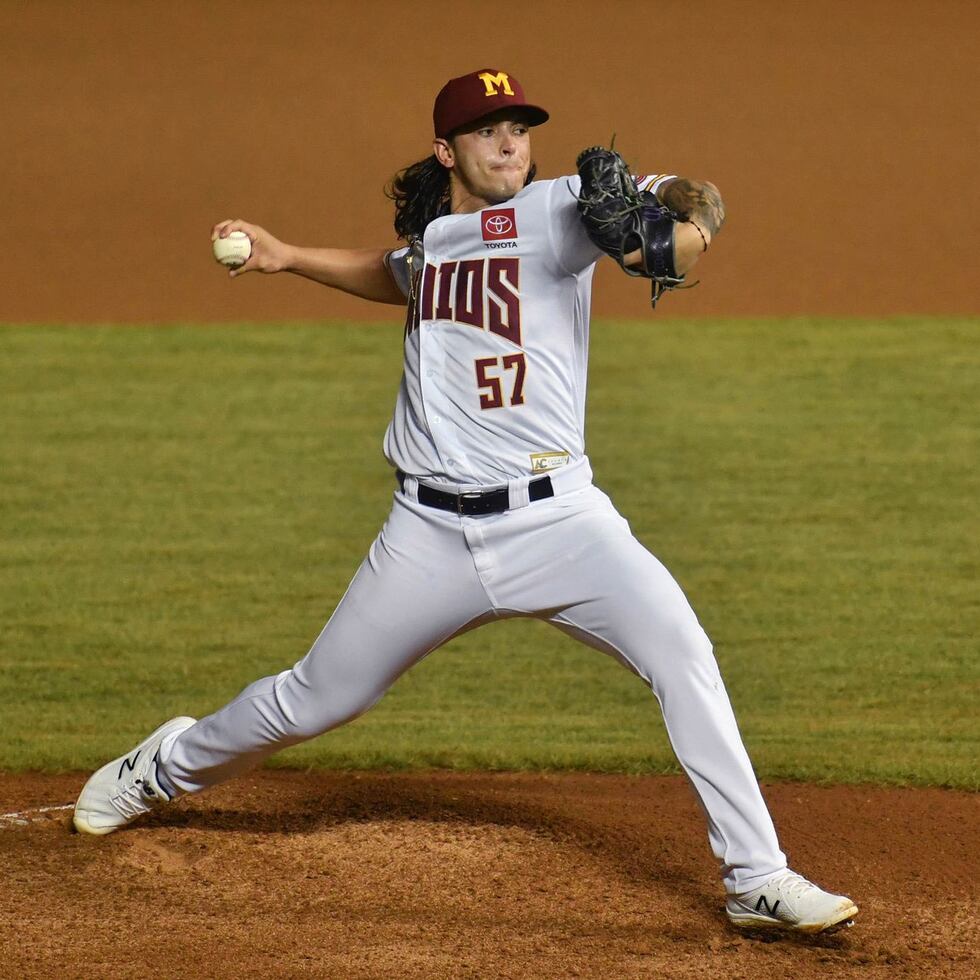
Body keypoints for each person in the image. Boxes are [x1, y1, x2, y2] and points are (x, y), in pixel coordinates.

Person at [73, 68, 857, 934]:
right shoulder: (440, 237)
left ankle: (756, 878)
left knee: (684, 654)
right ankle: (165, 764)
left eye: (519, 126)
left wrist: (682, 203)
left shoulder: (565, 206)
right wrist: (288, 257)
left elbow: (681, 221)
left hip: (561, 523)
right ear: (448, 151)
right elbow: (398, 272)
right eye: (488, 131)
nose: (510, 142)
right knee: (314, 700)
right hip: (430, 536)